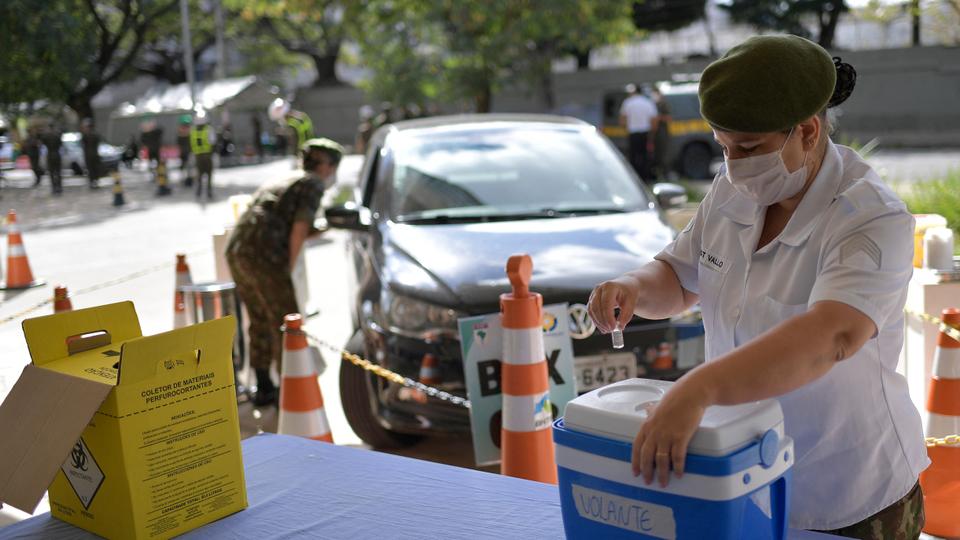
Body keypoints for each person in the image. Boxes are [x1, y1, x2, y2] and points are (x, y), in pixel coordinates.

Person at [587, 35, 927, 538]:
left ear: (807, 131)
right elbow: (680, 281)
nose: (733, 166)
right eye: (725, 148)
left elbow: (831, 336)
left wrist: (697, 390)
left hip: (848, 491)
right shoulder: (734, 191)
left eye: (749, 148)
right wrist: (633, 287)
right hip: (742, 474)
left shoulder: (869, 217)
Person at [226, 138, 343, 406]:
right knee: (286, 320)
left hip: (238, 249)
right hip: (265, 254)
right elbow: (299, 229)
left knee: (259, 317)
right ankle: (291, 389)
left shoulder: (284, 179)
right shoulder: (312, 183)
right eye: (333, 165)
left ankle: (264, 384)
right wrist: (287, 269)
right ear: (325, 165)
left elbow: (282, 219)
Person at [619, 83, 658, 182]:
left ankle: (634, 179)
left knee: (633, 156)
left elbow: (622, 120)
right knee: (644, 156)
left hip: (633, 133)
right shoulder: (648, 102)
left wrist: (626, 128)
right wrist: (652, 134)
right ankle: (645, 178)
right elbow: (654, 120)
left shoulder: (628, 102)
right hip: (645, 133)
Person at [190, 112, 216, 200]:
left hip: (198, 156)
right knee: (209, 174)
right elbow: (213, 141)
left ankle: (199, 191)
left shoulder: (193, 131)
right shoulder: (209, 129)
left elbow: (191, 144)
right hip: (207, 155)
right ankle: (208, 191)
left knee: (200, 174)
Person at [650, 85, 672, 181]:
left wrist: (658, 118)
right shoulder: (652, 104)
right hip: (655, 134)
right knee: (656, 155)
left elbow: (668, 118)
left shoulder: (663, 104)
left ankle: (665, 175)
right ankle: (658, 175)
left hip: (662, 133)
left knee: (663, 155)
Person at [40, 122, 63, 195]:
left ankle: (54, 188)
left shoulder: (47, 136)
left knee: (52, 172)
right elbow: (60, 144)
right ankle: (59, 187)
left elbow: (43, 142)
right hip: (56, 154)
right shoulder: (57, 135)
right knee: (58, 172)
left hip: (50, 154)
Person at [80, 118, 102, 189]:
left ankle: (92, 181)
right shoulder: (96, 134)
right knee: (95, 168)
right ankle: (95, 181)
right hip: (95, 153)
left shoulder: (85, 135)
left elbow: (83, 144)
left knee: (91, 169)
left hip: (89, 154)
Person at [176, 114, 193, 187]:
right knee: (184, 166)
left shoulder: (190, 132)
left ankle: (189, 178)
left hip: (188, 152)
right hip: (184, 152)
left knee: (189, 166)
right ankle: (185, 179)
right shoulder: (181, 133)